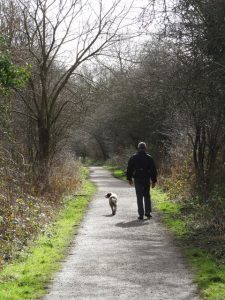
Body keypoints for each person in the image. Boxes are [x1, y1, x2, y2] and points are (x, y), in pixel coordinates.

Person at [126, 142, 157, 220]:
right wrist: (154, 181)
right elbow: (153, 170)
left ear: (138, 148)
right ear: (145, 148)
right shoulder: (149, 157)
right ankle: (148, 212)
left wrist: (129, 178)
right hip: (146, 178)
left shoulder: (133, 157)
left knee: (139, 196)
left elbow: (129, 169)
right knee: (147, 195)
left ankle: (141, 214)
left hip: (137, 178)